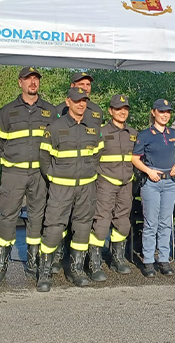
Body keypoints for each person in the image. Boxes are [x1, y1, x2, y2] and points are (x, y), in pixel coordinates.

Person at [0, 67, 58, 287]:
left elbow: (56, 140)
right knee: (8, 216)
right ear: (20, 83)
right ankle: (0, 266)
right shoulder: (8, 111)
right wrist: (5, 161)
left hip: (39, 174)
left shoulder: (50, 110)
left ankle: (33, 263)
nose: (33, 82)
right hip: (14, 173)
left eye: (36, 79)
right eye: (28, 79)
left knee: (38, 217)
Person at [35, 87, 103, 292]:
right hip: (61, 188)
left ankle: (77, 270)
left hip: (86, 187)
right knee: (54, 227)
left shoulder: (93, 128)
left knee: (82, 227)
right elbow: (44, 158)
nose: (81, 104)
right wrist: (54, 177)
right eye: (77, 101)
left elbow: (97, 155)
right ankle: (45, 272)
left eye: (84, 100)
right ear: (68, 102)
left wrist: (89, 173)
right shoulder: (54, 128)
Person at [53, 71, 102, 273]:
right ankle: (57, 256)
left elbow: (97, 143)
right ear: (72, 86)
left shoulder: (97, 111)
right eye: (81, 84)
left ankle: (82, 261)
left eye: (88, 84)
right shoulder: (60, 110)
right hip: (63, 176)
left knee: (84, 219)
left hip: (86, 175)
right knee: (60, 219)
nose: (85, 87)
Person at [132, 99, 175, 278]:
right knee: (151, 223)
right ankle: (148, 260)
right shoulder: (145, 134)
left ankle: (164, 259)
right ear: (154, 112)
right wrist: (148, 171)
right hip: (152, 182)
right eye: (161, 111)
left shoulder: (173, 133)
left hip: (170, 182)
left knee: (165, 223)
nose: (165, 115)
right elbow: (134, 158)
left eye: (168, 112)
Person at [87, 94, 138, 281]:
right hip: (105, 183)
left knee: (123, 222)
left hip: (126, 183)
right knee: (101, 223)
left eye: (125, 108)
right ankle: (94, 262)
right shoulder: (101, 132)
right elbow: (91, 157)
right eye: (118, 109)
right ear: (110, 111)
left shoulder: (133, 133)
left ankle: (117, 258)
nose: (122, 112)